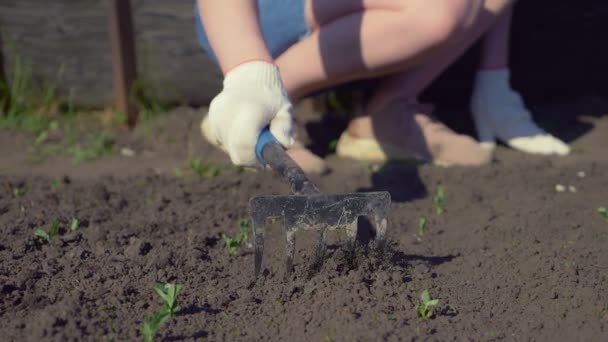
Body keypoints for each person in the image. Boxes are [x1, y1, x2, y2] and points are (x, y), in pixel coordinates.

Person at [195, 0, 570, 174]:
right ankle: (259, 104)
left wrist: (494, 82)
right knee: (441, 7)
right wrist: (249, 72)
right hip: (256, 15)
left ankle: (388, 112)